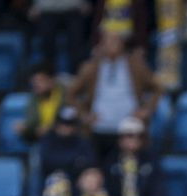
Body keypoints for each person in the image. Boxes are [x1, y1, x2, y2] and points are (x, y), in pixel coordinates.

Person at [68, 28, 159, 161]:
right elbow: (71, 93)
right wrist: (84, 115)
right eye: (108, 41)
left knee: (129, 170)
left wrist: (146, 110)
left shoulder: (136, 65)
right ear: (101, 45)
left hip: (129, 128)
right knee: (97, 170)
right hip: (99, 128)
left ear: (123, 44)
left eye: (116, 40)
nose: (112, 44)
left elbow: (157, 88)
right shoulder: (90, 67)